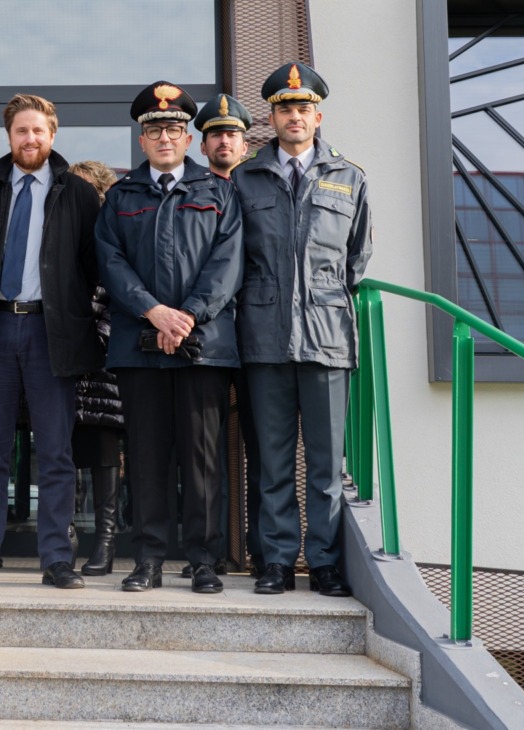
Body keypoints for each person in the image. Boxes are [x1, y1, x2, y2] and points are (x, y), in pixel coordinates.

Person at [96, 81, 243, 594]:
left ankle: (204, 561)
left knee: (203, 459)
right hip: (140, 347)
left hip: (204, 347)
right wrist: (155, 313)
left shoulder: (220, 192)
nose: (165, 137)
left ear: (188, 139)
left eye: (175, 129)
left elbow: (227, 266)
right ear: (142, 141)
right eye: (155, 130)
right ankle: (149, 559)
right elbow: (110, 264)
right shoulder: (120, 195)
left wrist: (186, 318)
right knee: (147, 458)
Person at [233, 62, 372, 597]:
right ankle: (276, 562)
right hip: (264, 337)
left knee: (324, 464)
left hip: (327, 337)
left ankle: (326, 563)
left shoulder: (349, 176)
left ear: (318, 116)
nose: (295, 116)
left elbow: (357, 260)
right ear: (271, 116)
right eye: (285, 108)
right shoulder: (247, 176)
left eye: (304, 108)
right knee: (272, 462)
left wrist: (321, 293)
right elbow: (234, 255)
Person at [0, 94, 102, 590]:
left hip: (50, 331)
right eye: (21, 131)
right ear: (9, 136)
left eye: (39, 131)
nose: (30, 139)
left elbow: (90, 268)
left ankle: (56, 559)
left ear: (53, 135)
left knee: (56, 451)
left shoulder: (78, 194)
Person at [192, 92, 261, 577]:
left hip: (260, 335)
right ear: (203, 145)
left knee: (264, 451)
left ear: (245, 142)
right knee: (207, 452)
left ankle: (263, 554)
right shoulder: (191, 189)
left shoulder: (263, 186)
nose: (224, 141)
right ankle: (210, 553)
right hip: (210, 337)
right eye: (215, 133)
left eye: (231, 133)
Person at [66, 160, 124, 576]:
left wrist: (94, 337)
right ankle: (63, 536)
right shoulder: (61, 231)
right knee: (59, 451)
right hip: (61, 360)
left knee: (104, 453)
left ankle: (105, 540)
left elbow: (118, 292)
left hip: (102, 362)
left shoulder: (112, 232)